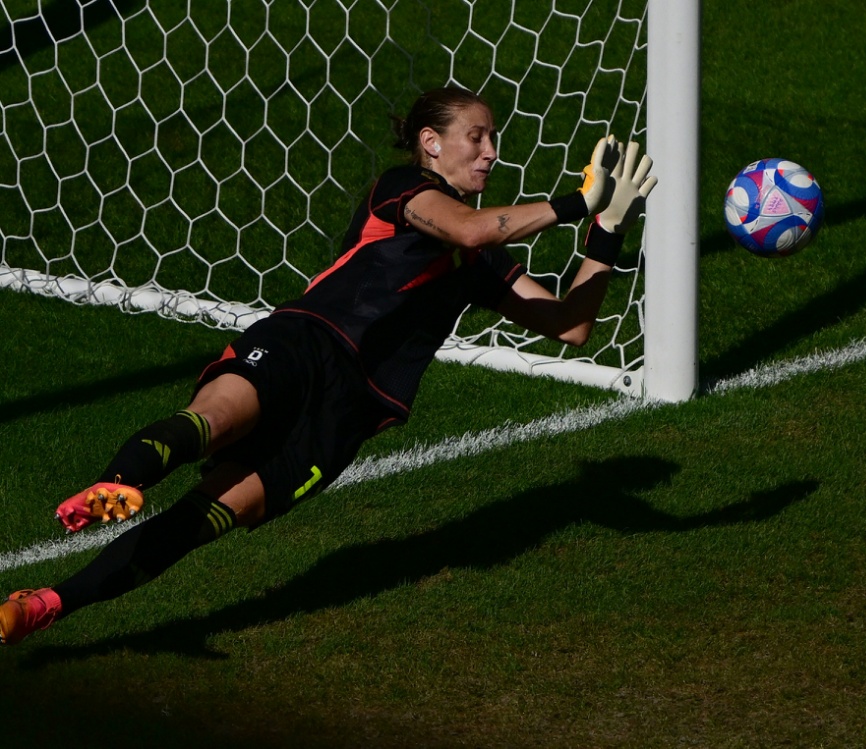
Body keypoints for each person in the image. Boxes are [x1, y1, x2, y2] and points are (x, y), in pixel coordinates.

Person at [0, 86, 657, 645]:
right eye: (478, 137)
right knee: (213, 419)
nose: (492, 152)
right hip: (306, 342)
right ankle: (115, 481)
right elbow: (470, 228)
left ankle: (44, 604)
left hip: (349, 412)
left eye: (494, 140)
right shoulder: (406, 190)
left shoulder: (482, 263)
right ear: (430, 142)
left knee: (200, 522)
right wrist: (580, 200)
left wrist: (607, 232)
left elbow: (570, 325)